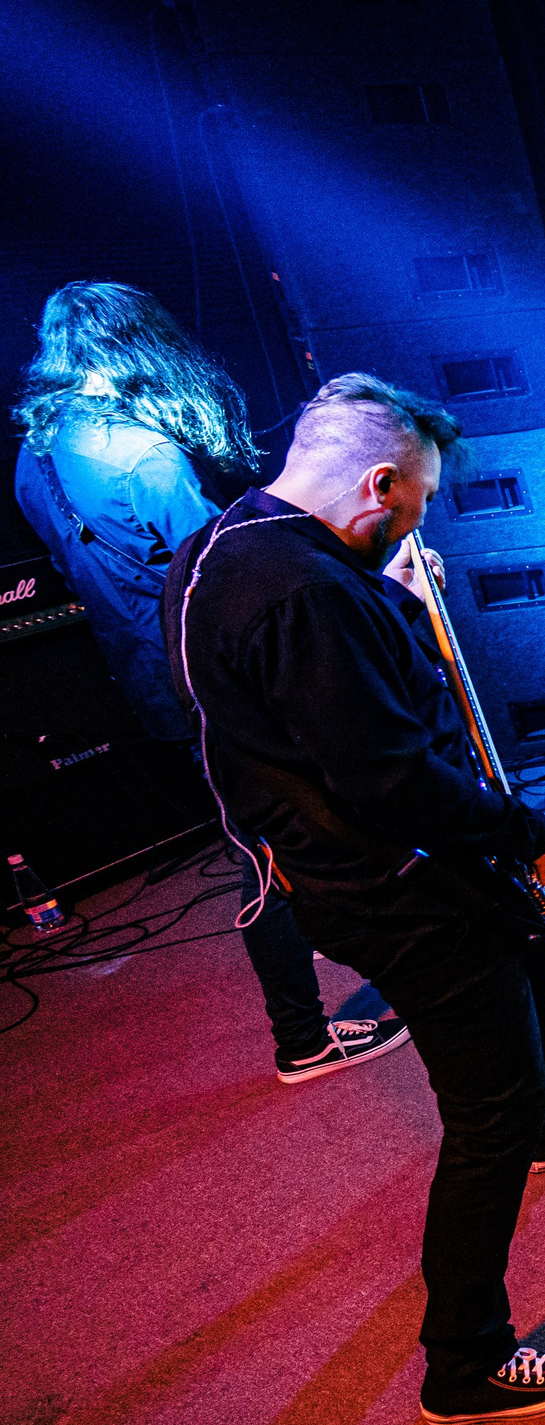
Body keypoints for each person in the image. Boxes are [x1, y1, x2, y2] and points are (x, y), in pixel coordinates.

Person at [165, 373, 545, 1425]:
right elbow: (390, 776)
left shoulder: (223, 548)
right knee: (486, 1116)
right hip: (393, 887)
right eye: (417, 505)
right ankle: (464, 1363)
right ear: (380, 485)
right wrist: (525, 829)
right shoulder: (307, 594)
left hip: (348, 869)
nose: (415, 526)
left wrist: (391, 604)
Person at [12, 281, 398, 1083]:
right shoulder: (141, 454)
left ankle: (312, 1021)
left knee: (259, 843)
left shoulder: (34, 451)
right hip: (213, 677)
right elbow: (225, 571)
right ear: (139, 345)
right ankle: (304, 1034)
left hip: (146, 673)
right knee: (283, 846)